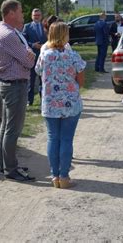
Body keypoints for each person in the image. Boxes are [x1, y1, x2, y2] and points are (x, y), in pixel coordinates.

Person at [35, 21, 86, 189]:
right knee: (66, 139)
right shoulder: (73, 56)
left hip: (50, 103)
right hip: (70, 103)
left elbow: (38, 72)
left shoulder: (44, 55)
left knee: (52, 138)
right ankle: (64, 176)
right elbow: (81, 80)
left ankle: (54, 176)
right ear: (65, 35)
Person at [0, 0, 36, 182]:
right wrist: (29, 55)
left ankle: (6, 164)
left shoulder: (5, 32)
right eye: (20, 11)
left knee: (6, 127)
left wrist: (27, 55)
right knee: (12, 129)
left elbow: (25, 57)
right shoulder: (8, 35)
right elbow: (28, 61)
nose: (22, 14)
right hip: (14, 85)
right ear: (11, 13)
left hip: (10, 85)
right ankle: (11, 168)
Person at [23, 8, 47, 106]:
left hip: (44, 56)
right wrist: (33, 45)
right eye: (34, 15)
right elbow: (23, 41)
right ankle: (30, 100)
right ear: (32, 16)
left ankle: (43, 99)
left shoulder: (45, 26)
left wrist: (44, 46)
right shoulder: (27, 27)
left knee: (43, 80)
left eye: (38, 15)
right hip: (31, 57)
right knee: (31, 80)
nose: (36, 17)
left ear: (41, 16)